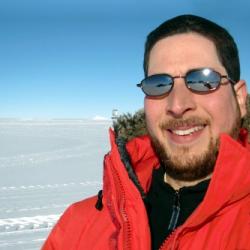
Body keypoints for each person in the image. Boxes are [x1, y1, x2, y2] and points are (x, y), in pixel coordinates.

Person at [42, 14, 250, 250]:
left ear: (240, 99)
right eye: (159, 84)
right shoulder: (77, 227)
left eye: (202, 80)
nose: (177, 105)